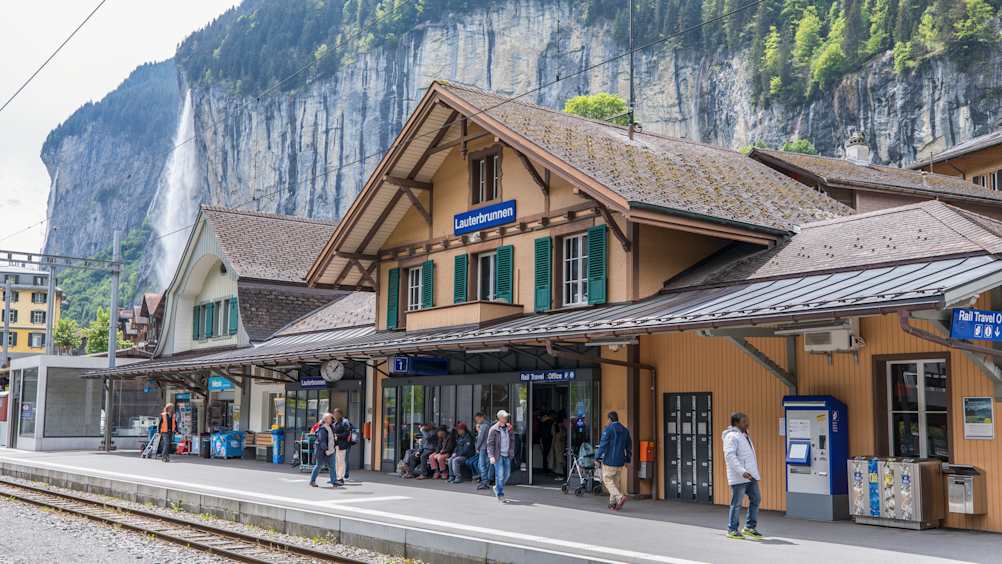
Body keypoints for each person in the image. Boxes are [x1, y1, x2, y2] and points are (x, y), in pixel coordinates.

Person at [723, 412, 762, 540]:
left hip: (751, 475)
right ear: (737, 423)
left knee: (756, 499)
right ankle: (732, 529)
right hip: (740, 476)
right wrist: (742, 471)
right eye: (744, 421)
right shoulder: (732, 437)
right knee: (737, 503)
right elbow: (730, 456)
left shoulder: (744, 435)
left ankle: (749, 528)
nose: (747, 423)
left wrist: (751, 473)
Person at [595, 411, 632, 511]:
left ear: (610, 419)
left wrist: (597, 457)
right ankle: (612, 503)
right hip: (620, 461)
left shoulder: (608, 429)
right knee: (615, 483)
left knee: (607, 481)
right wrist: (628, 460)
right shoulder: (625, 430)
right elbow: (629, 447)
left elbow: (603, 445)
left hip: (609, 461)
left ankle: (620, 497)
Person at [486, 410, 515, 503]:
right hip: (498, 455)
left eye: (506, 417)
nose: (506, 418)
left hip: (507, 455)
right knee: (500, 475)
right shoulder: (493, 429)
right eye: (504, 417)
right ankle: (500, 494)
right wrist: (491, 456)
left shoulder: (509, 428)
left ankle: (497, 487)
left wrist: (511, 451)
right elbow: (490, 444)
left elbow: (512, 440)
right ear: (500, 418)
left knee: (507, 474)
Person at [309, 412, 338, 488]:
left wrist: (334, 445)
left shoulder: (331, 427)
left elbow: (332, 438)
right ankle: (312, 481)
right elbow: (322, 441)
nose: (331, 419)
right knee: (319, 466)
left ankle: (334, 481)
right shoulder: (322, 429)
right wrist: (326, 450)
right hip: (322, 451)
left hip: (331, 450)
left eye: (331, 418)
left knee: (332, 466)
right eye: (329, 418)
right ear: (325, 419)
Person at [473, 412, 494, 490]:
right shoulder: (488, 425)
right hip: (487, 447)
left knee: (482, 465)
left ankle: (484, 482)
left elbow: (480, 438)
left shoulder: (484, 426)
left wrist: (477, 447)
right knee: (485, 465)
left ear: (481, 417)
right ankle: (486, 481)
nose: (477, 421)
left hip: (483, 448)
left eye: (478, 419)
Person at [331, 408, 352, 486]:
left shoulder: (345, 422)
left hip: (342, 445)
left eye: (336, 414)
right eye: (334, 413)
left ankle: (341, 478)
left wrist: (338, 436)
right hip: (335, 445)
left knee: (341, 462)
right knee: (336, 462)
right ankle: (336, 477)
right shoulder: (335, 422)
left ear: (340, 414)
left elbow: (347, 433)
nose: (335, 415)